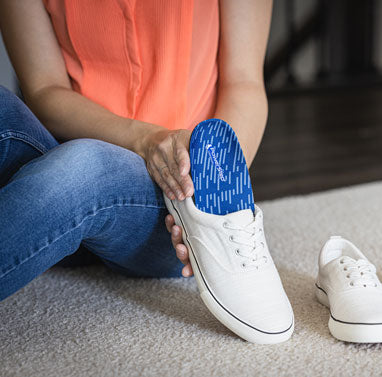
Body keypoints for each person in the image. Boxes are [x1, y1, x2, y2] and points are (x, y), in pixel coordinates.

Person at [0, 0, 272, 301]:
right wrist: (145, 139)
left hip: (174, 199)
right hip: (53, 187)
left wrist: (215, 196)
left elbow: (243, 83)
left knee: (84, 166)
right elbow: (44, 90)